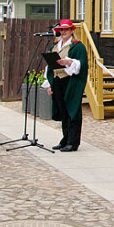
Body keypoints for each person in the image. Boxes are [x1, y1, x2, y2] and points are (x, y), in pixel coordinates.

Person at [42, 19, 88, 152]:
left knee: (72, 111)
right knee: (63, 111)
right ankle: (65, 139)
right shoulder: (55, 46)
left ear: (72, 30)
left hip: (70, 81)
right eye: (61, 30)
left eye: (66, 29)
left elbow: (81, 65)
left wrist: (68, 62)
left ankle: (73, 142)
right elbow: (49, 67)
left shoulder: (77, 46)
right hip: (57, 81)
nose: (63, 32)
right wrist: (49, 85)